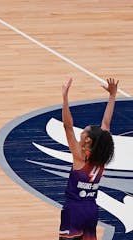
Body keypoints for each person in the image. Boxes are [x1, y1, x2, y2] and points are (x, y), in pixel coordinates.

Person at [59, 78, 117, 240]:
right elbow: (106, 123)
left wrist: (65, 98)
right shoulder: (102, 155)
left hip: (74, 210)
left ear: (88, 141)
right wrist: (112, 96)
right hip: (91, 210)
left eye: (83, 132)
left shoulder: (80, 156)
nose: (80, 133)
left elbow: (67, 126)